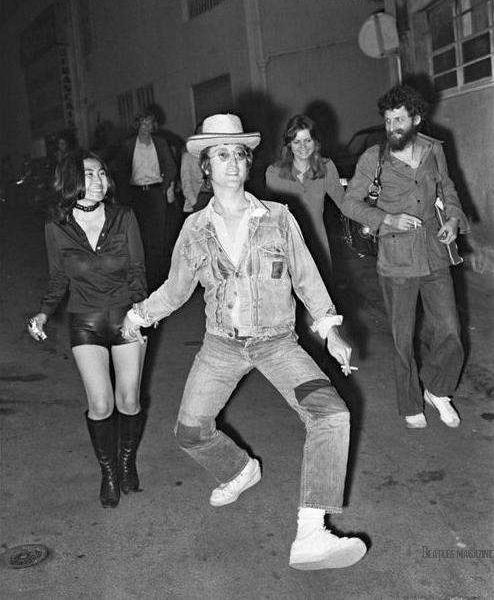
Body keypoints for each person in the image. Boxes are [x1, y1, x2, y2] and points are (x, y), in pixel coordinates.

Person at [122, 113, 367, 570]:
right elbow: (176, 290)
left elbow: (307, 280)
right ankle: (239, 469)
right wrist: (139, 315)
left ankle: (312, 531)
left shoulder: (277, 218)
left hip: (277, 342)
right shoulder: (194, 229)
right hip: (221, 346)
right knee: (190, 432)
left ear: (247, 163)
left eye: (238, 154)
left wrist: (330, 331)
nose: (231, 163)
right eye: (221, 154)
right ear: (207, 167)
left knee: (331, 415)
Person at [341, 85, 469, 430]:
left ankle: (438, 389)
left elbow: (448, 188)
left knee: (451, 331)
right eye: (387, 120)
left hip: (434, 252)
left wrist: (454, 219)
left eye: (399, 118)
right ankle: (411, 402)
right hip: (396, 258)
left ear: (415, 119)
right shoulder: (374, 158)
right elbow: (350, 202)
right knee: (403, 338)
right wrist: (386, 218)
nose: (393, 126)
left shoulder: (433, 150)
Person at [28, 150, 148, 508]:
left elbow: (138, 271)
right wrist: (44, 313)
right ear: (71, 181)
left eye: (102, 174)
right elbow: (58, 277)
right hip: (86, 321)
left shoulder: (124, 217)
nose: (99, 182)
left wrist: (139, 313)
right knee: (100, 403)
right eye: (90, 175)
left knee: (129, 400)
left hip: (126, 316)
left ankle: (127, 463)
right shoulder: (56, 226)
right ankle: (108, 472)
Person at [265, 114, 345, 287]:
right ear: (289, 145)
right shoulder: (273, 173)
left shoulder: (326, 167)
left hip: (318, 249)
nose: (303, 147)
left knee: (321, 307)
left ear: (315, 141)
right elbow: (269, 218)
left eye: (307, 140)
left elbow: (345, 203)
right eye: (296, 142)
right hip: (285, 250)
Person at [117, 108, 178, 291]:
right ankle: (140, 277)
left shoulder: (160, 143)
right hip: (135, 195)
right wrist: (124, 195)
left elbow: (170, 166)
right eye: (143, 123)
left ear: (153, 126)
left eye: (149, 123)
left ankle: (158, 279)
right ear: (137, 125)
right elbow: (120, 171)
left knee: (158, 237)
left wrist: (165, 186)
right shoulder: (128, 145)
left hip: (155, 193)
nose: (146, 126)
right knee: (138, 236)